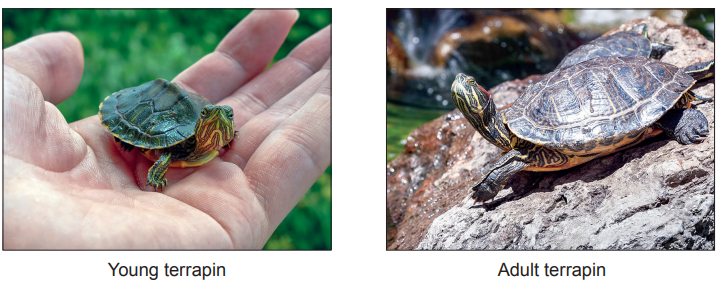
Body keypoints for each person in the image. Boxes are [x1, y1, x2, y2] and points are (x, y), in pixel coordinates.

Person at [3, 9, 331, 249]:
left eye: (225, 121)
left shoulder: (215, 138)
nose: (220, 124)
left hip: (189, 118)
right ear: (203, 126)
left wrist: (225, 136)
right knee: (154, 146)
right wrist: (155, 173)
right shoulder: (181, 144)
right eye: (215, 119)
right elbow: (164, 152)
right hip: (146, 108)